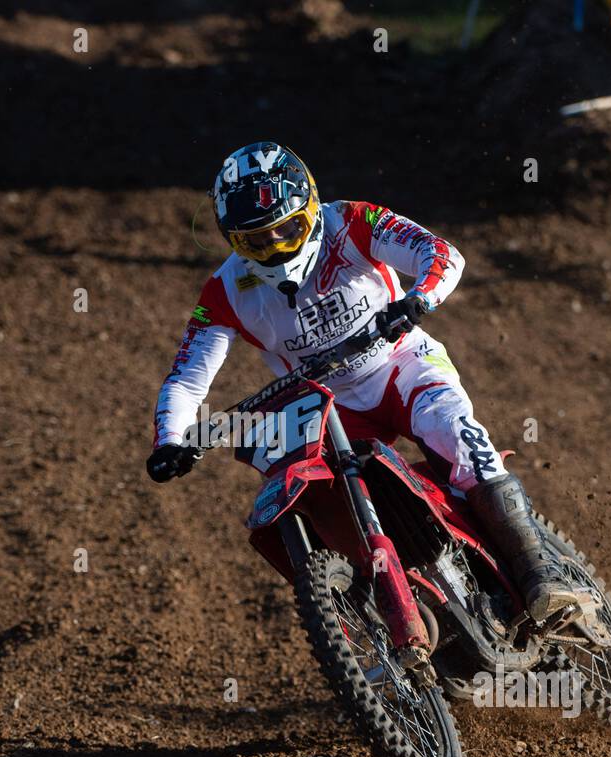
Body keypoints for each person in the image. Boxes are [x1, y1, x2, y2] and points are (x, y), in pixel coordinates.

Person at [147, 142, 579, 649]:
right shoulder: (224, 291)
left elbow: (438, 252)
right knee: (332, 503)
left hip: (402, 364)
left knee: (462, 443)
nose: (277, 246)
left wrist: (419, 299)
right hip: (331, 406)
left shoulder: (351, 220)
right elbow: (187, 378)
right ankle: (404, 613)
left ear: (309, 207)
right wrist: (170, 439)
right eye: (256, 241)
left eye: (287, 228)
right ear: (231, 239)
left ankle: (541, 576)